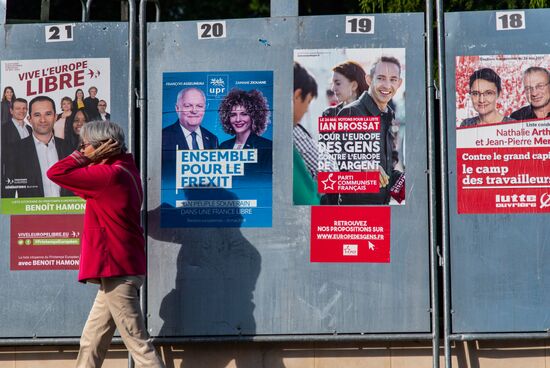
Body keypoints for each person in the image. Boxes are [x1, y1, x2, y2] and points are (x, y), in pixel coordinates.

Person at [46, 121, 165, 368]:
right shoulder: (124, 171)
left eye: (85, 145)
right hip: (117, 271)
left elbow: (55, 173)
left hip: (117, 271)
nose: (82, 149)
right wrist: (90, 157)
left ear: (102, 147)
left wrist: (79, 158)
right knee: (91, 342)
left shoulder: (108, 176)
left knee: (139, 346)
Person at [330, 56, 405, 205]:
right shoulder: (351, 112)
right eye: (381, 78)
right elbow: (337, 157)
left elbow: (387, 168)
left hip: (381, 207)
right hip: (355, 212)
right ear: (369, 80)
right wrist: (364, 165)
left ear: (399, 83)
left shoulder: (388, 115)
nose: (387, 85)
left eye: (393, 79)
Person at [3, 96, 73, 198]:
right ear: (29, 119)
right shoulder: (14, 150)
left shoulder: (68, 148)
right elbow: (7, 194)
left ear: (55, 117)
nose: (43, 120)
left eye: (48, 114)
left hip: (67, 212)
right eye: (37, 115)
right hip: (31, 213)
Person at [292, 62, 321, 205]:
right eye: (308, 102)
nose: (306, 110)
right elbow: (306, 200)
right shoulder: (287, 138)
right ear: (297, 96)